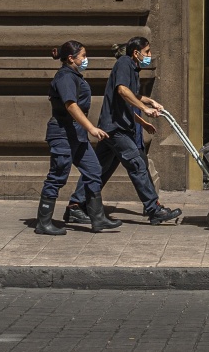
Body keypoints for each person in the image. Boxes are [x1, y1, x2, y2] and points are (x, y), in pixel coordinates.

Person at [67, 36, 183, 227]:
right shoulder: (124, 63)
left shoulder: (132, 68)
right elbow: (122, 90)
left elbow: (128, 96)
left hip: (114, 128)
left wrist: (148, 101)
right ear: (136, 53)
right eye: (147, 52)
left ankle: (76, 205)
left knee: (99, 169)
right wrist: (144, 109)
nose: (149, 56)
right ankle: (154, 209)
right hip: (116, 129)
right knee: (137, 165)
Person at [35, 40, 118, 236]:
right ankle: (43, 223)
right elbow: (71, 105)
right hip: (62, 133)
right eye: (83, 56)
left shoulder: (74, 76)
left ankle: (98, 219)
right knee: (58, 174)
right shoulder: (65, 77)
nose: (86, 59)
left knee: (94, 170)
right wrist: (91, 128)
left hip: (76, 135)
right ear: (71, 58)